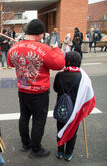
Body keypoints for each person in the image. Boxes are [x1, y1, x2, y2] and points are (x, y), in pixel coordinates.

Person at [7, 19, 65, 158]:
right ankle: (36, 149)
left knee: (24, 117)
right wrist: (56, 48)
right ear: (39, 34)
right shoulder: (44, 48)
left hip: (22, 89)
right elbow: (59, 64)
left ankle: (25, 143)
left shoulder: (14, 47)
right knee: (39, 120)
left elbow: (10, 62)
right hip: (39, 91)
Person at [53, 51, 82, 161]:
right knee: (72, 131)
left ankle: (60, 151)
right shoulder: (81, 76)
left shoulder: (59, 75)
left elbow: (56, 89)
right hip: (75, 110)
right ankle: (68, 153)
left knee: (60, 129)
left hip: (62, 108)